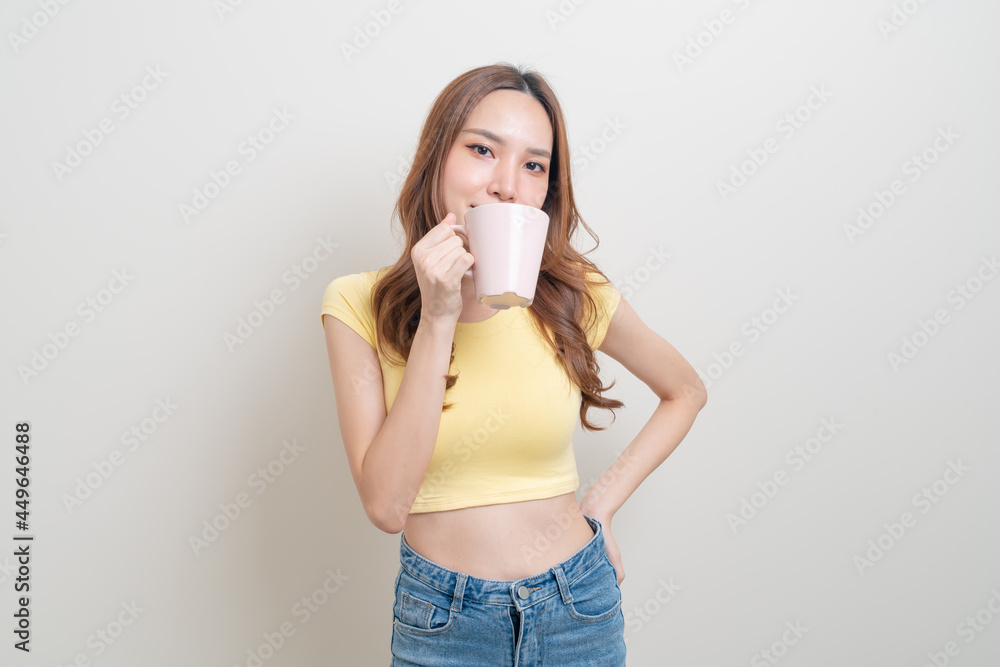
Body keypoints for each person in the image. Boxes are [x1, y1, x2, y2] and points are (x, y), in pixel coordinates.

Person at [320, 62, 707, 666]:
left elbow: (685, 390)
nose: (507, 183)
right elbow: (387, 507)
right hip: (443, 621)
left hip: (577, 606)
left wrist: (601, 504)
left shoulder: (574, 294)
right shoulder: (357, 304)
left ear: (546, 191)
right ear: (436, 161)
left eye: (534, 165)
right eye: (481, 150)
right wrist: (438, 316)